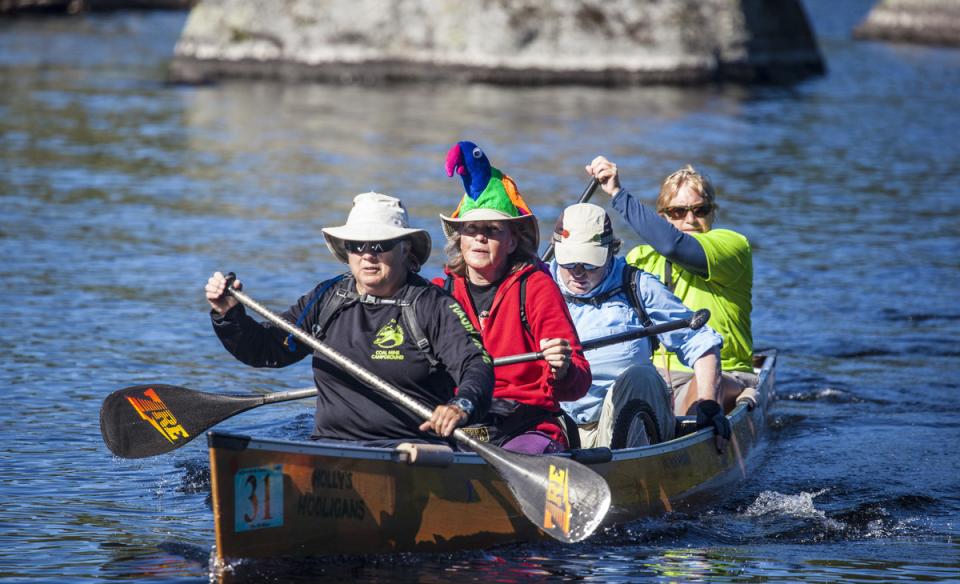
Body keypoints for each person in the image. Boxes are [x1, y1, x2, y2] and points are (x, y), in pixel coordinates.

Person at [204, 192, 494, 447]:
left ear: (404, 249)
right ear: (346, 251)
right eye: (357, 245)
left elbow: (476, 364)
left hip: (410, 450)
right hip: (331, 447)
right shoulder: (327, 298)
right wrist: (229, 314)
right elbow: (269, 349)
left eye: (379, 245)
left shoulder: (434, 305)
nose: (367, 255)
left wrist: (461, 405)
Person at [437, 141, 591, 454]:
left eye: (492, 230)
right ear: (460, 238)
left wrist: (563, 370)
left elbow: (578, 382)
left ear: (510, 242)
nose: (480, 237)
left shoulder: (536, 287)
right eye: (472, 228)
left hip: (526, 425)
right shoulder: (440, 291)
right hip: (462, 422)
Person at [550, 203, 729, 450]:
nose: (578, 272)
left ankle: (630, 469)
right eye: (569, 263)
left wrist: (710, 403)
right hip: (558, 423)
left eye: (590, 263)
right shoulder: (537, 287)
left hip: (624, 423)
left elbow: (698, 341)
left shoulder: (636, 286)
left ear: (610, 251)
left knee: (641, 375)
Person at [586, 157, 756, 415]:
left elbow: (674, 246)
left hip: (724, 373)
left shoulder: (732, 247)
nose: (690, 220)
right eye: (677, 212)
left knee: (704, 385)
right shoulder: (639, 258)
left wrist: (618, 194)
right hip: (656, 376)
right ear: (661, 217)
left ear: (713, 212)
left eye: (700, 210)